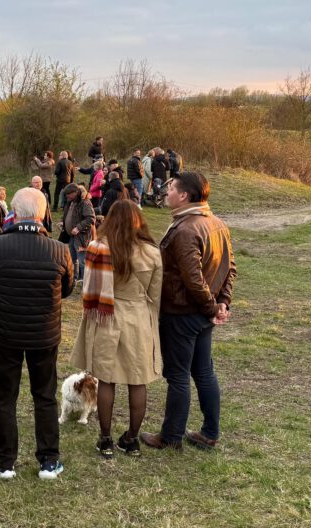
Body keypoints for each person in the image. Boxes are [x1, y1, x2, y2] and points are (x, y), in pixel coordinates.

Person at [0, 187, 75, 481]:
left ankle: (5, 463)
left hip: (6, 334)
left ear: (14, 212)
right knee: (44, 396)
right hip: (43, 334)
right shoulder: (59, 249)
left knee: (5, 397)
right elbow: (66, 289)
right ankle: (49, 461)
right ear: (42, 214)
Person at [141, 172, 236, 451]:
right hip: (201, 313)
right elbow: (229, 269)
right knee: (204, 372)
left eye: (170, 187)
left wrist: (215, 307)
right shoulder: (216, 223)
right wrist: (221, 304)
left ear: (184, 195)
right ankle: (209, 432)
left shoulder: (185, 230)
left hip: (182, 313)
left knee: (179, 375)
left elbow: (193, 278)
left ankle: (171, 436)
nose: (166, 190)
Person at [70, 200, 162, 459]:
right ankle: (132, 439)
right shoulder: (151, 251)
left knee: (106, 378)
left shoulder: (98, 247)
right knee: (138, 380)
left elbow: (89, 286)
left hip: (106, 316)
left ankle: (106, 439)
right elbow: (156, 295)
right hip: (138, 318)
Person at [61, 183, 95, 282]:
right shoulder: (71, 202)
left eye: (68, 194)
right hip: (71, 236)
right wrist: (63, 222)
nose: (67, 196)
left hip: (81, 237)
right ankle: (73, 279)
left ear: (75, 192)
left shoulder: (85, 203)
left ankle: (86, 282)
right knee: (72, 259)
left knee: (82, 261)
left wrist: (78, 228)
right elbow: (69, 215)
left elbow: (91, 218)